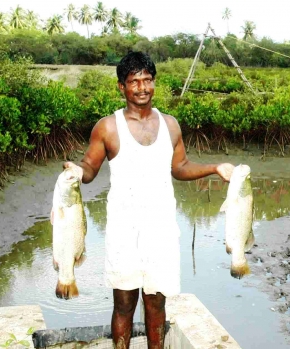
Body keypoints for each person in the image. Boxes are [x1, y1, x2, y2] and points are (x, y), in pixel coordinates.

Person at [63, 51, 235, 349]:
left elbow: (180, 168)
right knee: (124, 305)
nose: (142, 87)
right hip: (123, 231)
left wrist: (215, 168)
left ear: (154, 83)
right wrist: (77, 171)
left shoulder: (170, 125)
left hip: (162, 230)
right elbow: (90, 169)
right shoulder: (107, 127)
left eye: (147, 80)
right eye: (134, 81)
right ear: (121, 87)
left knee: (156, 306)